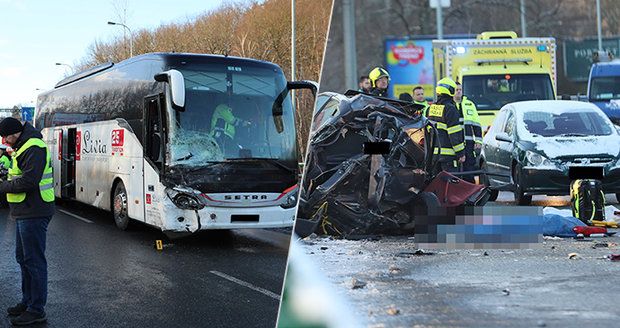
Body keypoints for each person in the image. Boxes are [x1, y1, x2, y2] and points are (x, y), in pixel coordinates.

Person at [0, 117, 55, 326]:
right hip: (25, 211)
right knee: (23, 259)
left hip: (35, 211)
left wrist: (3, 186)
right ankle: (28, 301)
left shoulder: (34, 146)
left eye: (6, 136)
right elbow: (19, 175)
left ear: (15, 133)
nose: (5, 140)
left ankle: (36, 309)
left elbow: (30, 181)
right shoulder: (23, 145)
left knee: (34, 261)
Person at [425, 78, 465, 174]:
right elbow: (454, 134)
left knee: (436, 186)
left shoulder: (430, 108)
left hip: (434, 156)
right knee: (451, 186)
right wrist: (460, 153)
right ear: (450, 90)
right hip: (448, 158)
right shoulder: (450, 109)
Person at [454, 82, 482, 183]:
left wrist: (478, 141)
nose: (458, 92)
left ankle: (470, 191)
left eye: (460, 90)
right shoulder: (450, 105)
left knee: (469, 168)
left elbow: (476, 124)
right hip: (454, 143)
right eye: (456, 90)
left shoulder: (469, 104)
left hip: (468, 142)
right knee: (454, 170)